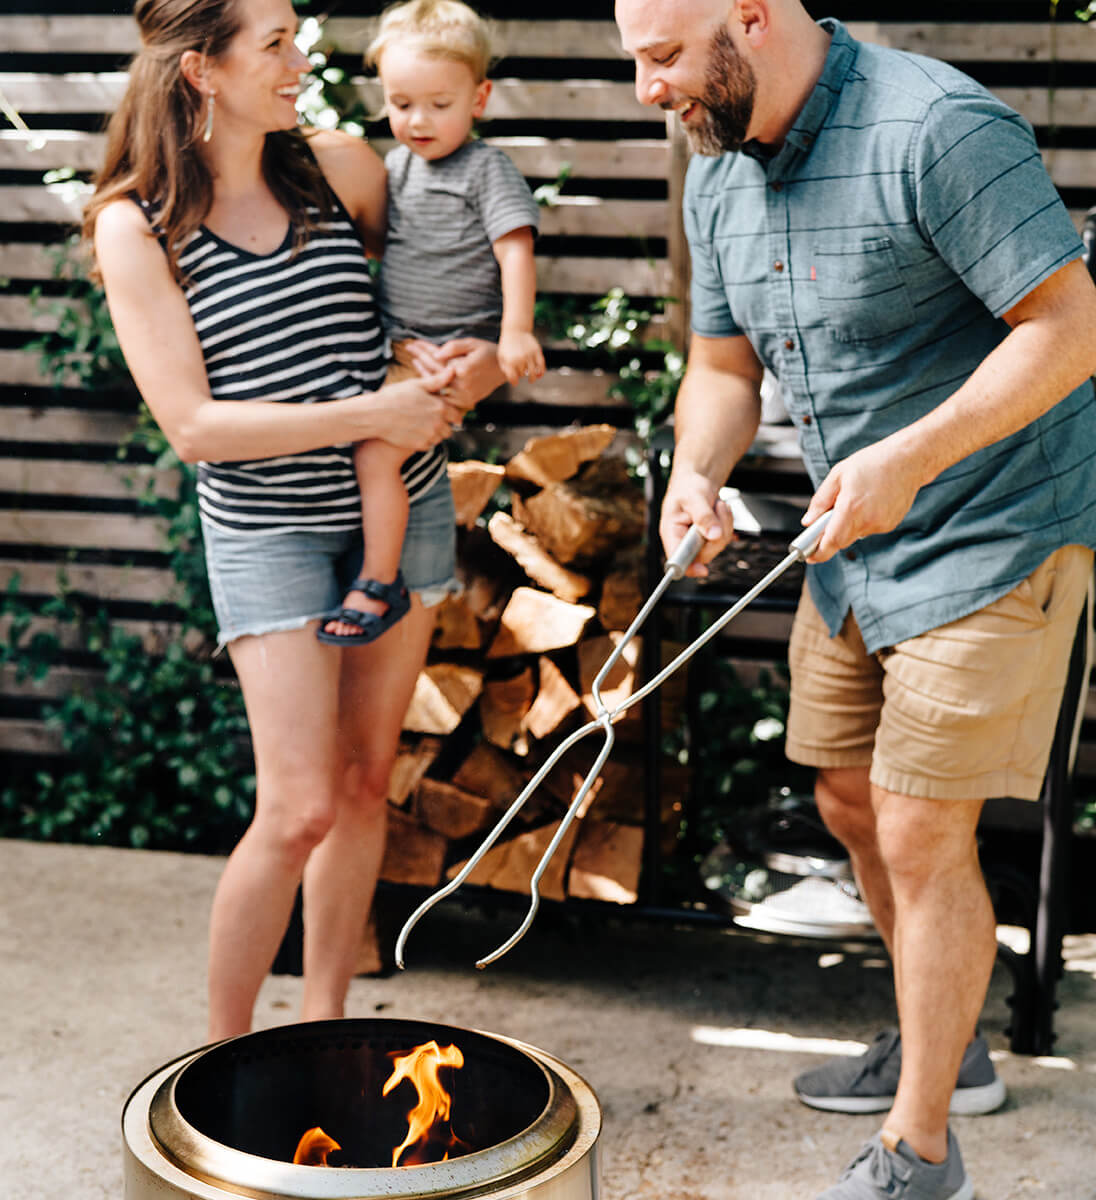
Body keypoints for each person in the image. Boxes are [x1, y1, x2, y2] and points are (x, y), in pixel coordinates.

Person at [615, 1, 1096, 1197]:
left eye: (662, 54)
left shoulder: (936, 128)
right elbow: (723, 368)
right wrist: (695, 473)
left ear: (750, 18)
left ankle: (920, 1149)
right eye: (631, 57)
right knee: (845, 796)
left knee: (923, 826)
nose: (643, 88)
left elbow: (1072, 327)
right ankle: (951, 1042)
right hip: (853, 547)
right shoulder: (717, 171)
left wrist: (911, 461)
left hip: (996, 528)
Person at [83, 0, 504, 1042]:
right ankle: (222, 1063)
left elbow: (428, 310)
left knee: (366, 787)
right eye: (275, 42)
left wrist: (473, 363)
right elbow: (193, 426)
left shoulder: (343, 169)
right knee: (297, 808)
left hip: (395, 514)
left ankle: (323, 1030)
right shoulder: (136, 226)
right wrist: (371, 412)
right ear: (203, 72)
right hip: (267, 533)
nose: (302, 57)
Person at [319, 0, 544, 645]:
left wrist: (515, 333)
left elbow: (514, 246)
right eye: (400, 103)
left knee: (373, 450)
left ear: (479, 98)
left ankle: (377, 579)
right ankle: (386, 565)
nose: (417, 121)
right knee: (370, 449)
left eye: (437, 105)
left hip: (466, 347)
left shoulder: (485, 169)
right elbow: (392, 252)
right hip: (411, 348)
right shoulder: (393, 169)